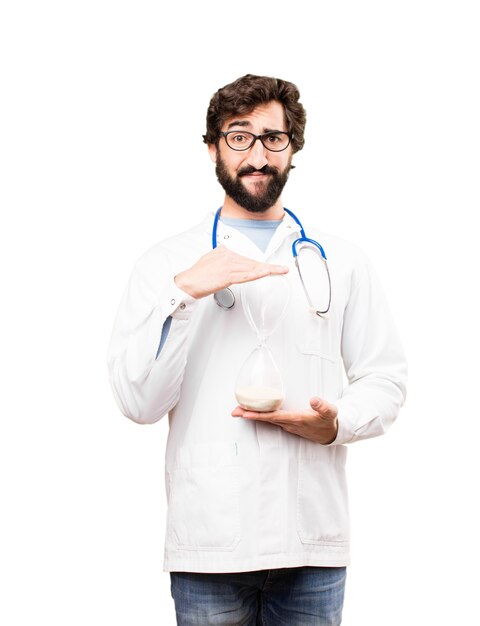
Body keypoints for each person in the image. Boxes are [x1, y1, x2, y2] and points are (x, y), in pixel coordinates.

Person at [107, 74, 407, 625]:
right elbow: (138, 402)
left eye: (274, 138)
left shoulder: (341, 260)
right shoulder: (165, 263)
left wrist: (337, 422)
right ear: (213, 147)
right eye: (239, 136)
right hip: (210, 541)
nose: (258, 155)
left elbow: (384, 379)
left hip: (310, 539)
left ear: (293, 149)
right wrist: (183, 293)